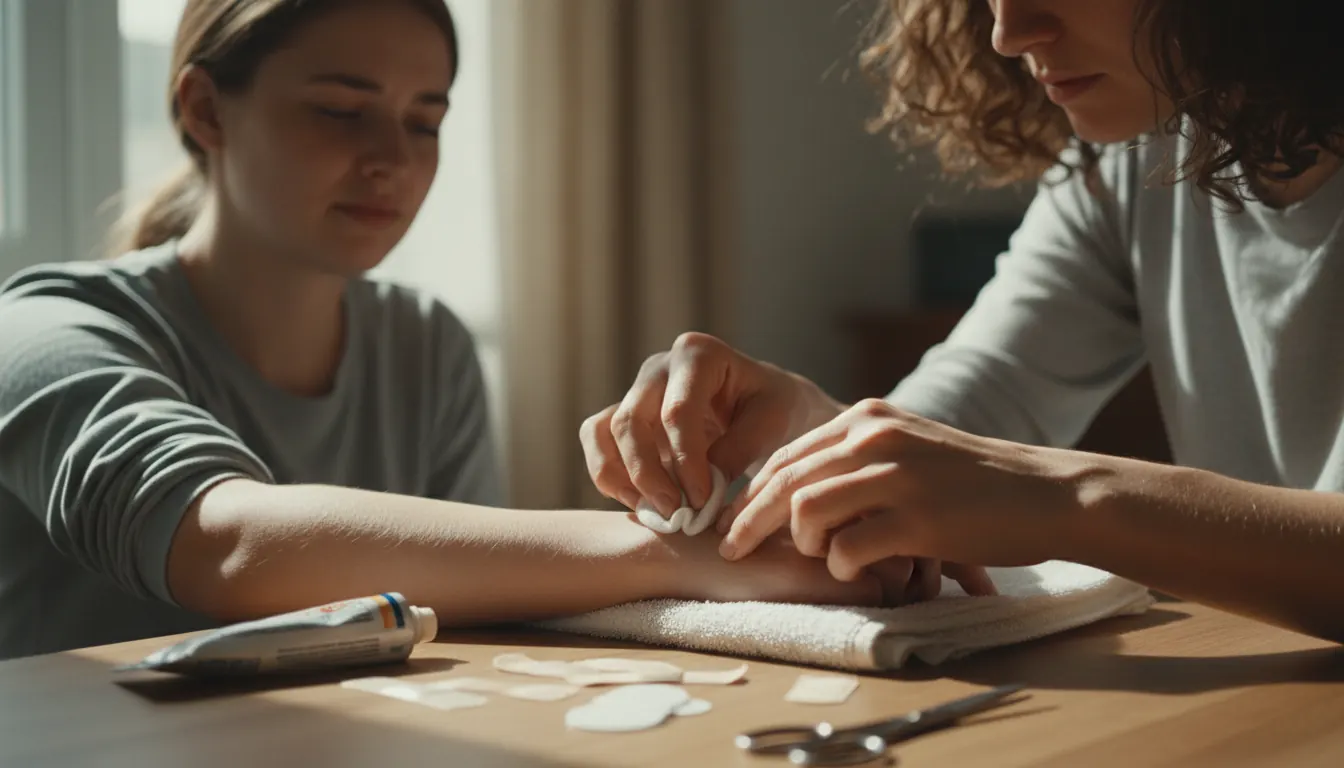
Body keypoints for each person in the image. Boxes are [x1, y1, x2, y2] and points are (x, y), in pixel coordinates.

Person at [0, 0, 892, 661]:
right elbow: (223, 543)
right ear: (204, 110)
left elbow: (468, 617)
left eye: (425, 121)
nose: (392, 158)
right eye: (342, 110)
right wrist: (685, 556)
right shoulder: (43, 330)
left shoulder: (427, 346)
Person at [582, 0, 1344, 643]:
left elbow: (1012, 477)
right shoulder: (1126, 167)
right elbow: (981, 399)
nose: (1007, 32)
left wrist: (1071, 501)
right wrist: (819, 428)